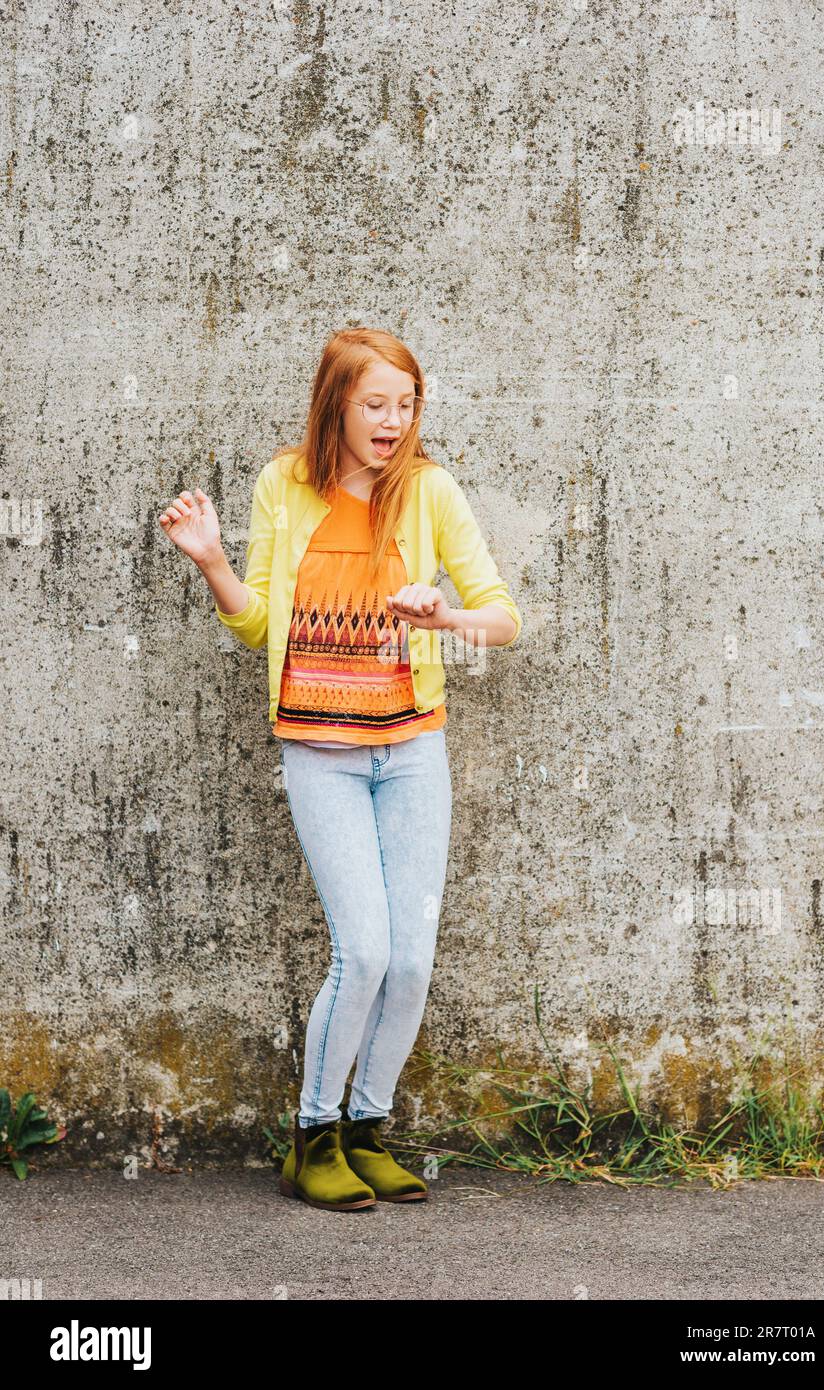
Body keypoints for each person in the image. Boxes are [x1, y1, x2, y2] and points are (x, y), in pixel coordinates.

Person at [158, 327, 523, 1212]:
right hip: (319, 748)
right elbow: (258, 627)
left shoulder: (429, 490)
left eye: (406, 404)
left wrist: (439, 616)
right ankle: (311, 1138)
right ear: (337, 404)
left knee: (411, 961)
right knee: (361, 952)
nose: (393, 421)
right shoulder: (285, 485)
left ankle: (365, 1131)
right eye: (375, 404)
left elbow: (502, 617)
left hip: (411, 750)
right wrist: (212, 562)